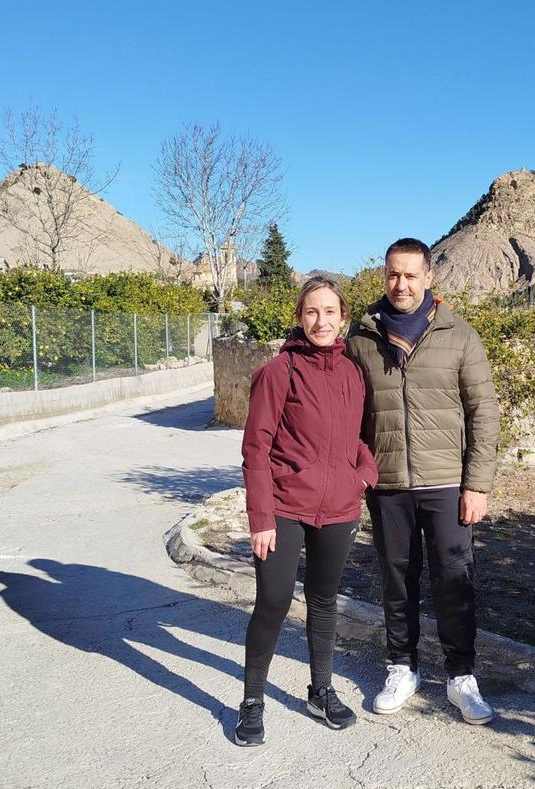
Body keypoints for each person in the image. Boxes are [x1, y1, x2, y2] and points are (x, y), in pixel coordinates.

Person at [346, 237, 500, 725]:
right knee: (397, 579)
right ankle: (401, 667)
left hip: (447, 483)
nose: (402, 284)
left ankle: (461, 676)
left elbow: (483, 412)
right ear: (384, 276)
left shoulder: (460, 335)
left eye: (411, 275)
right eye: (394, 274)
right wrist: (360, 472)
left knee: (454, 580)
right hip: (388, 484)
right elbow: (348, 411)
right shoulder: (362, 337)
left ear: (429, 277)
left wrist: (477, 484)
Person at [234, 277, 379, 746]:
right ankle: (252, 700)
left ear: (343, 318)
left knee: (323, 601)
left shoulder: (352, 373)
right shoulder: (279, 371)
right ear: (300, 317)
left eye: (330, 311)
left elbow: (360, 438)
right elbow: (256, 449)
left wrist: (363, 476)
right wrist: (261, 518)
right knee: (274, 602)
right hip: (284, 508)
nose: (321, 321)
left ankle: (321, 691)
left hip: (339, 509)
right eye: (312, 312)